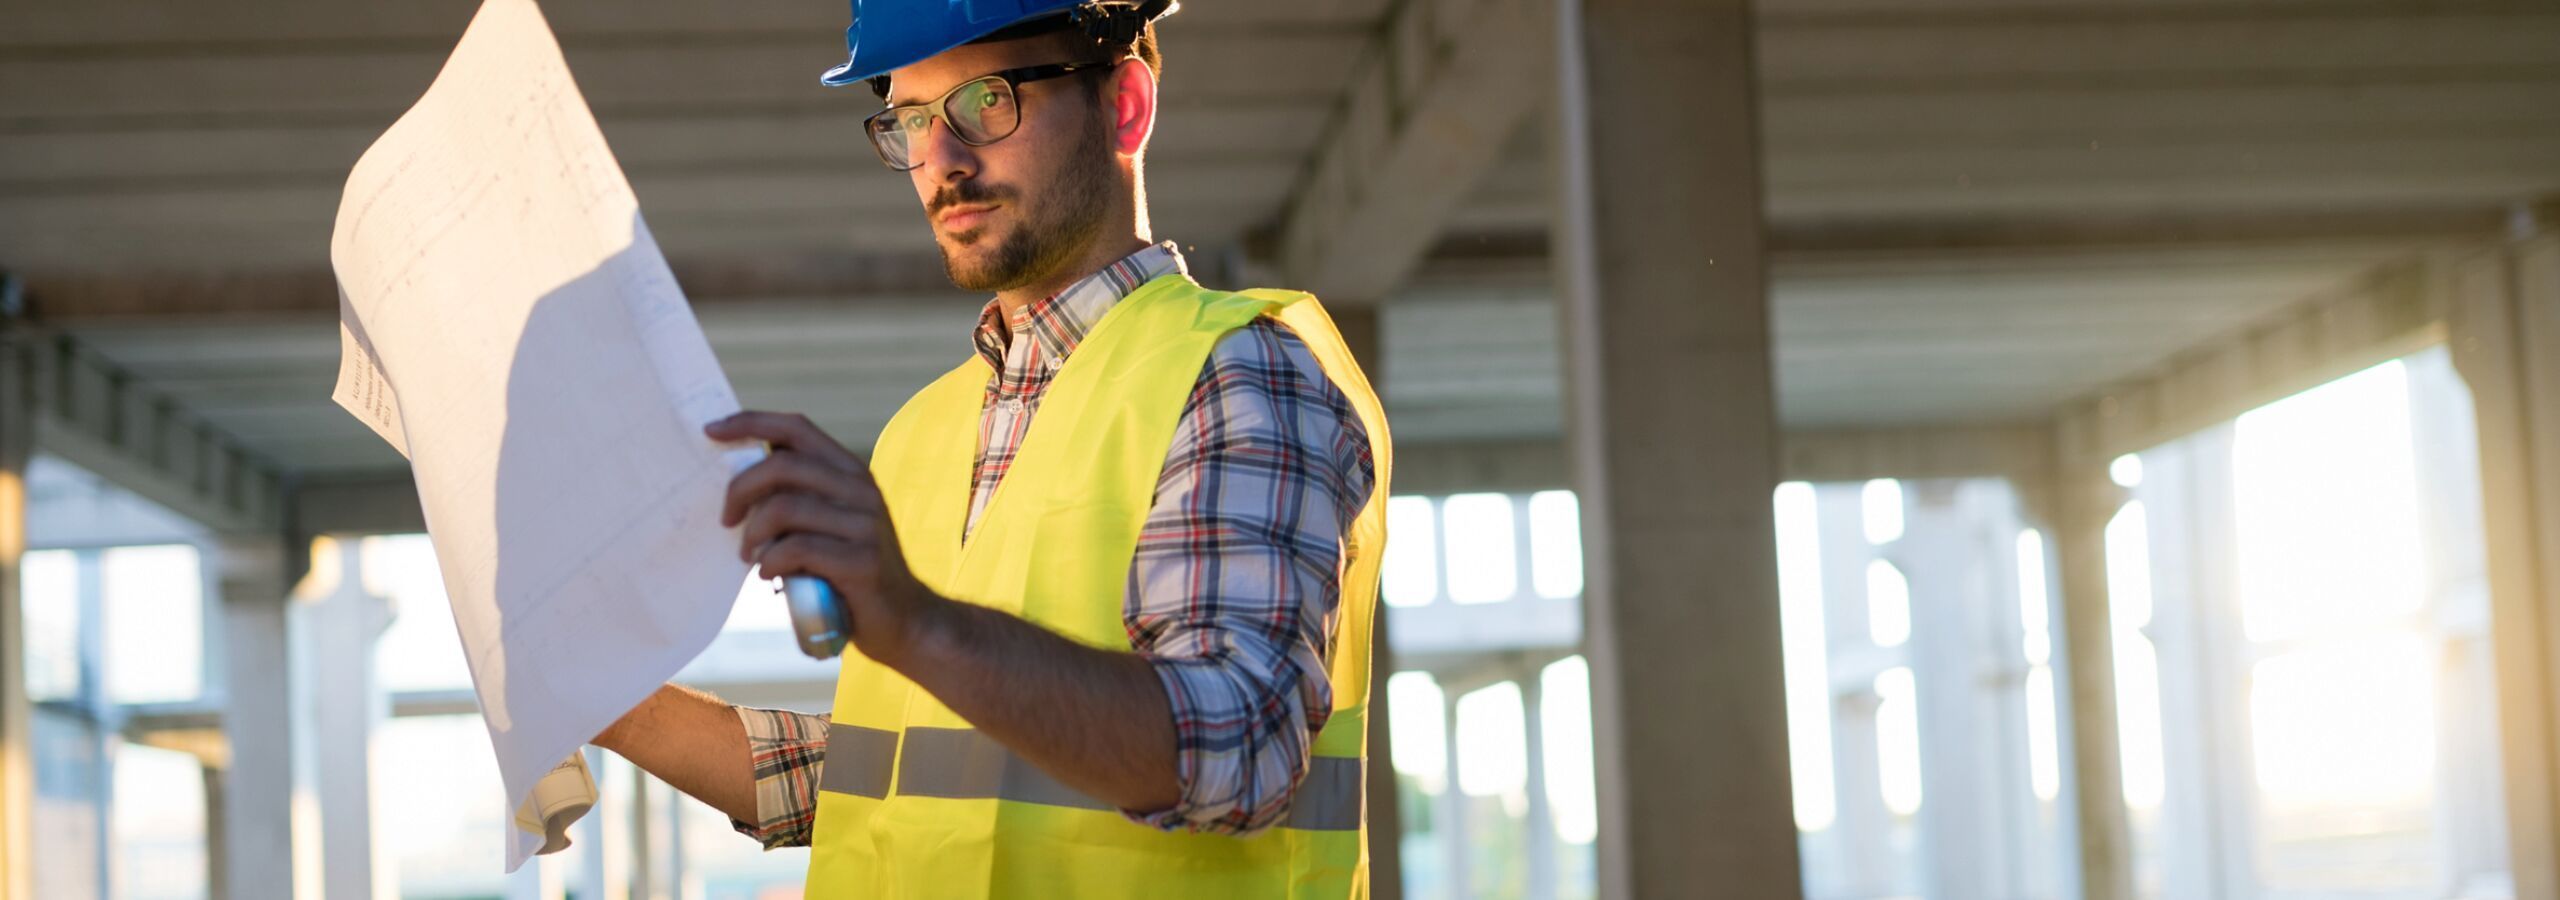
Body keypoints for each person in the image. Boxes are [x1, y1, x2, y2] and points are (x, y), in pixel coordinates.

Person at [589, 2, 1392, 896]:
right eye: (912, 120)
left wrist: (919, 624)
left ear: (1125, 107)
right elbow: (892, 782)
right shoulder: (922, 431)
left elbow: (1240, 747)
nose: (942, 160)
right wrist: (600, 695)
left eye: (986, 101)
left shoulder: (1237, 372)